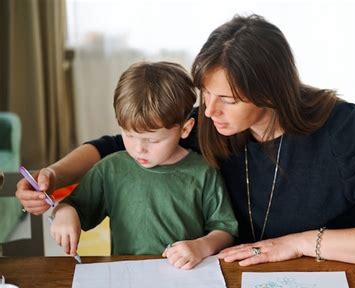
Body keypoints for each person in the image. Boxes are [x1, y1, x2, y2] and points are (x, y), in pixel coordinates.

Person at [17, 15, 355, 288]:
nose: (209, 111)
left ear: (271, 93)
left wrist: (295, 242)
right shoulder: (215, 124)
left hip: (337, 278)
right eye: (205, 94)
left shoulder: (346, 132)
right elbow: (117, 145)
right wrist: (54, 176)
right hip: (245, 282)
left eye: (228, 99)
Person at [48, 61, 238, 270]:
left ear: (185, 129)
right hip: (127, 278)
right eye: (129, 135)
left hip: (185, 278)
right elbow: (74, 206)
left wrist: (201, 246)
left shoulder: (203, 172)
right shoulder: (110, 170)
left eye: (153, 140)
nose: (139, 149)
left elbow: (225, 230)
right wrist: (63, 211)